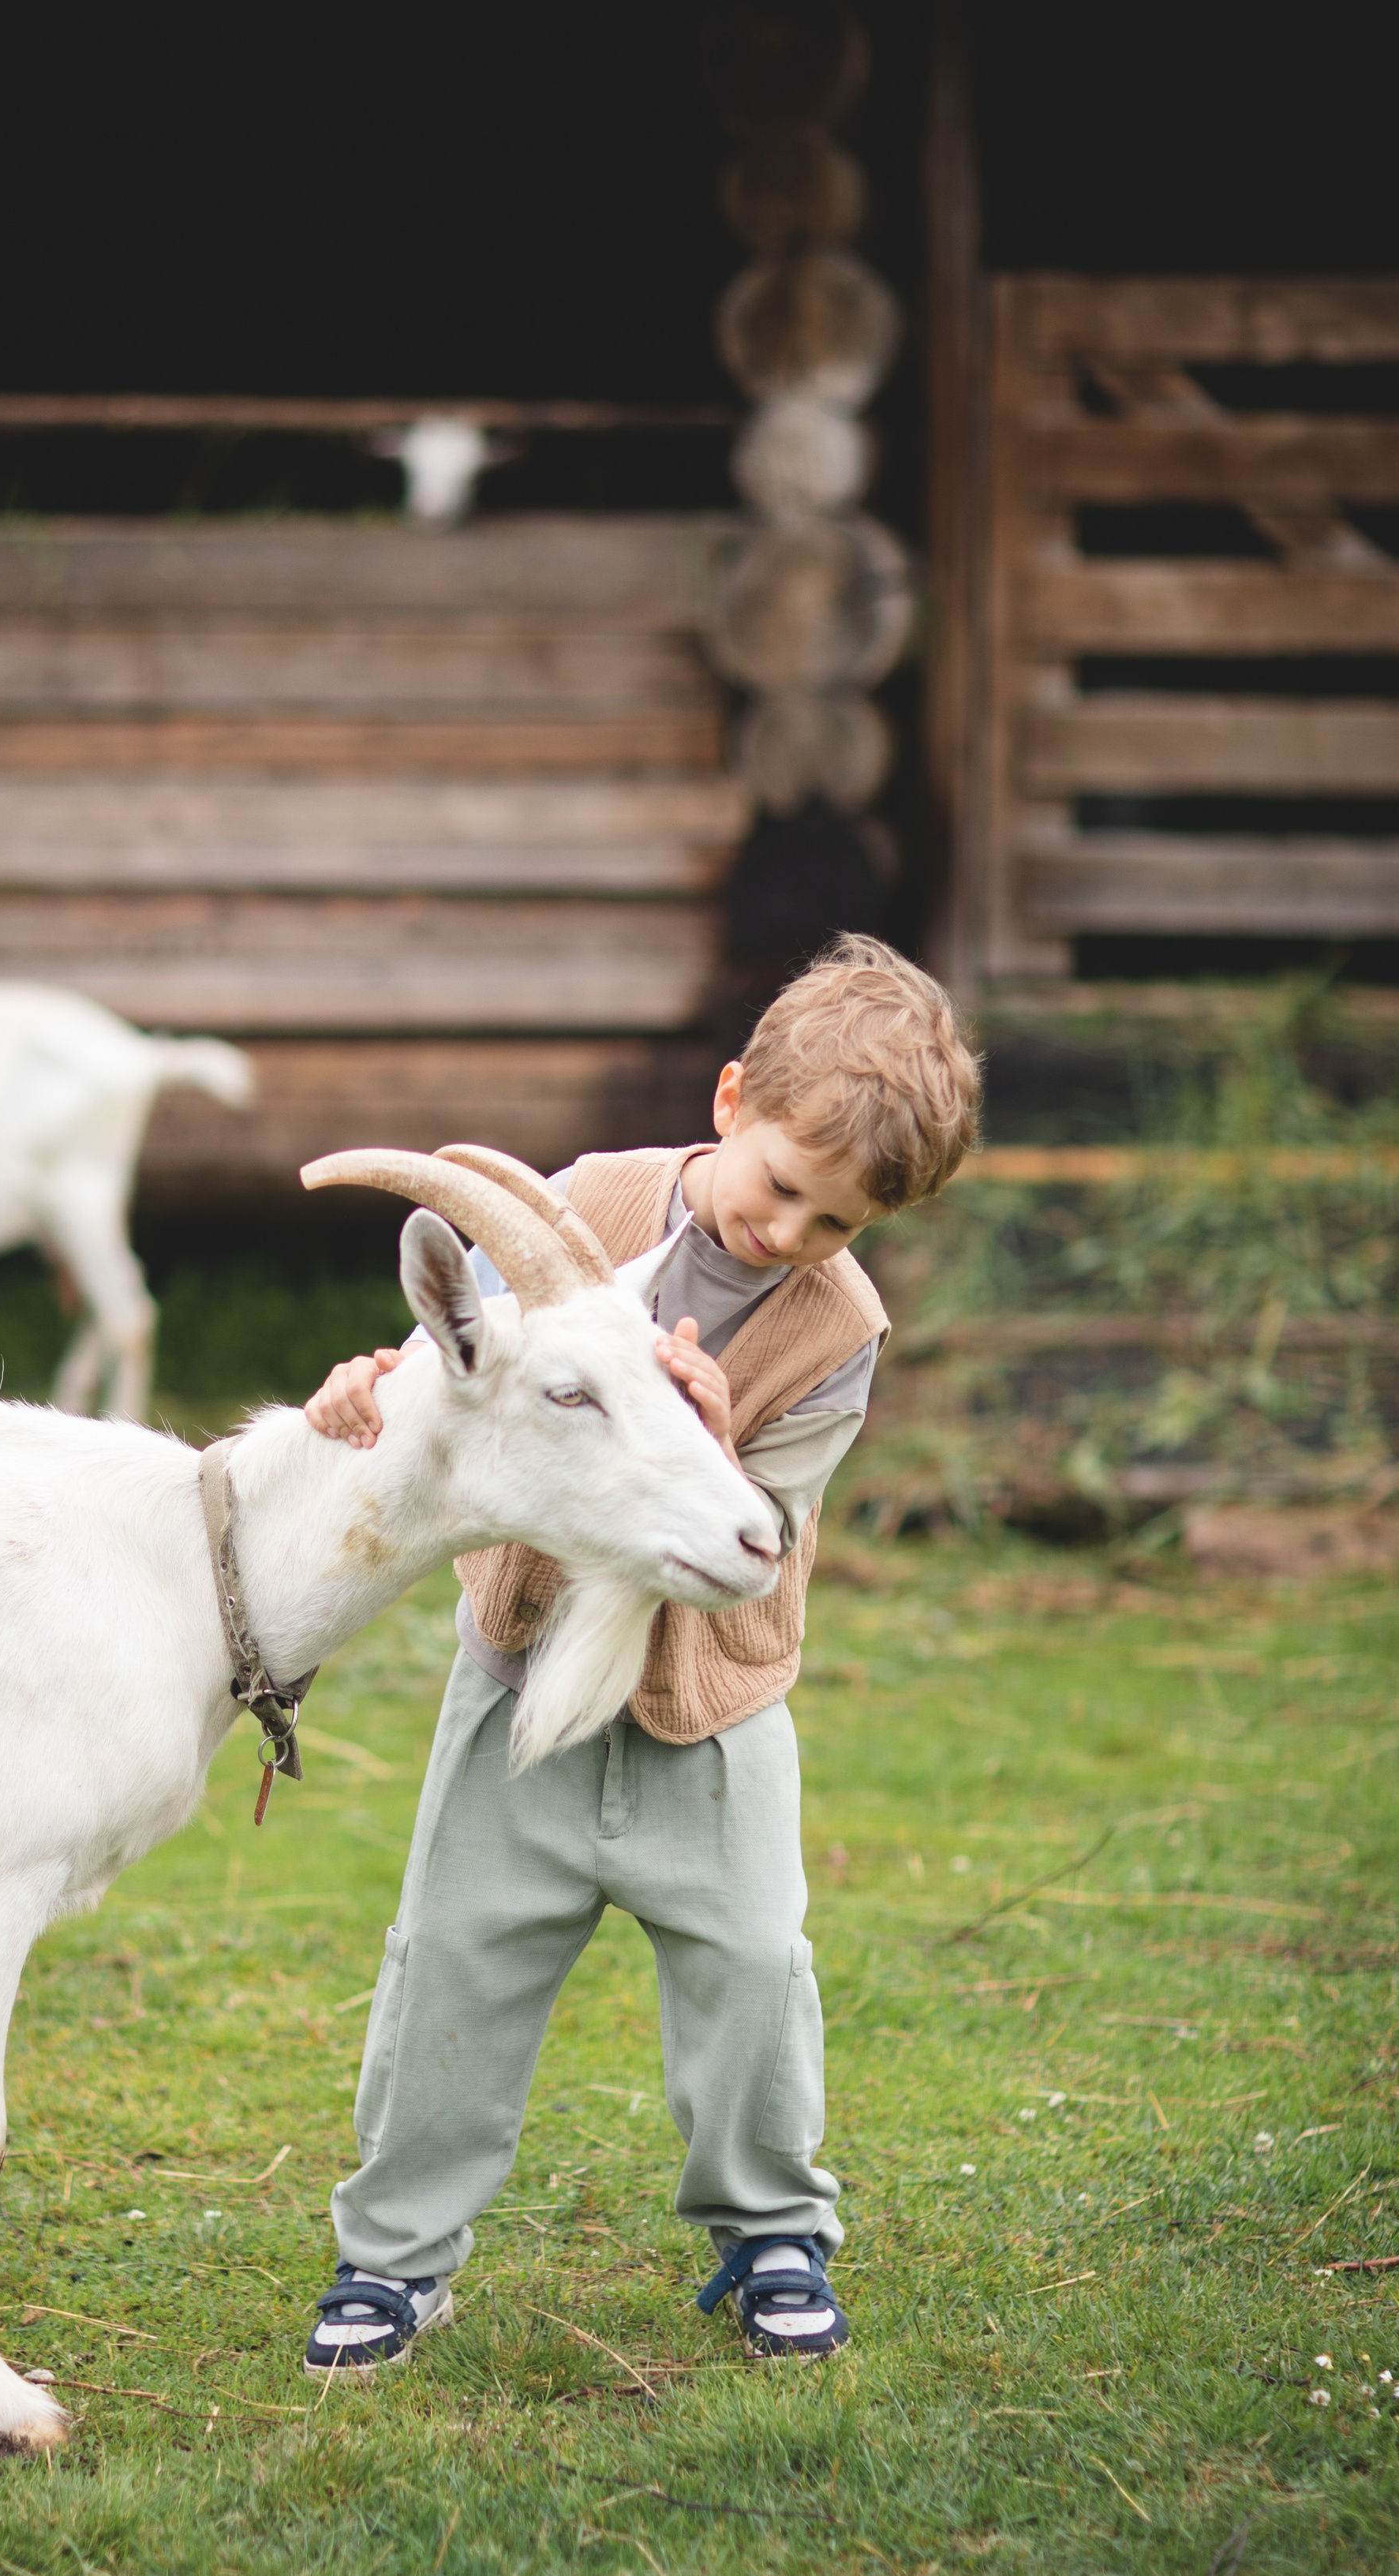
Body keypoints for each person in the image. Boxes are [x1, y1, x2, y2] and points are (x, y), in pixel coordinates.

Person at [297, 936, 980, 2379]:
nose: (791, 1235)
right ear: (732, 1101)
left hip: (705, 1704)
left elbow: (770, 1525)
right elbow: (452, 1365)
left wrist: (714, 1433)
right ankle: (396, 2260)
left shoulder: (838, 1329)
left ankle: (771, 2231)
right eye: (783, 1187)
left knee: (748, 1961)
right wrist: (370, 1388)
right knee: (456, 1959)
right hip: (523, 1658)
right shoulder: (579, 1210)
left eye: (836, 1224)